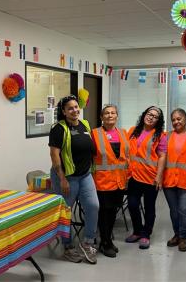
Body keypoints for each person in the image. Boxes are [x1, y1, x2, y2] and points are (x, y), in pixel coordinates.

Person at [49, 95, 99, 264]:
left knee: (93, 206)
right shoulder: (59, 129)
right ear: (63, 111)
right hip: (66, 178)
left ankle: (88, 242)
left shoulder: (85, 124)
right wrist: (62, 178)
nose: (75, 110)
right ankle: (68, 246)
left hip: (85, 176)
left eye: (76, 107)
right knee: (66, 212)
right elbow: (54, 156)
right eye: (70, 108)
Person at [125, 106, 166, 249]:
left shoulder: (160, 135)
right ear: (144, 114)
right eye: (149, 114)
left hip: (150, 177)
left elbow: (162, 156)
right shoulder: (132, 131)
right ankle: (137, 231)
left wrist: (159, 176)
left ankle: (146, 234)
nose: (151, 117)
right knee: (132, 205)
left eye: (155, 116)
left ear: (158, 121)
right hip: (133, 177)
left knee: (149, 208)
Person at [92, 104, 130, 258]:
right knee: (104, 212)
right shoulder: (94, 134)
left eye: (113, 113)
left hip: (119, 181)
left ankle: (107, 240)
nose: (110, 115)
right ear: (101, 117)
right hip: (102, 181)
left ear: (117, 116)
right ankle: (105, 242)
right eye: (106, 113)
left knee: (114, 211)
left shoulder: (123, 133)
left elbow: (126, 157)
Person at [163, 108, 186, 252]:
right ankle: (177, 235)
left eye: (179, 118)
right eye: (173, 119)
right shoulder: (166, 136)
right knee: (174, 210)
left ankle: (183, 238)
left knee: (184, 210)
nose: (176, 121)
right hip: (169, 180)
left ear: (185, 119)